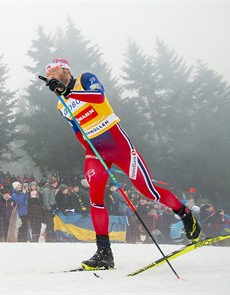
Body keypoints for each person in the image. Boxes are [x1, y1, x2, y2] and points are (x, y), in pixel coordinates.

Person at [43, 58, 201, 269]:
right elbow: (76, 129)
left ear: (65, 69)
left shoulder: (85, 79)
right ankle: (104, 253)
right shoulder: (60, 103)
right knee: (95, 198)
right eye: (48, 73)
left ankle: (185, 214)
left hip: (117, 144)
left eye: (54, 71)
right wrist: (88, 149)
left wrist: (69, 93)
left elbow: (98, 98)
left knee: (148, 191)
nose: (51, 75)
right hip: (95, 150)